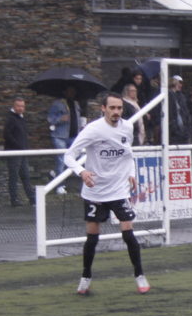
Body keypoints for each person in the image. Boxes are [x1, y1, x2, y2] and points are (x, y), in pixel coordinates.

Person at [62, 92, 150, 296]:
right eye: (112, 108)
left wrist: (131, 173)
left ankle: (140, 276)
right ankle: (85, 278)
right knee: (92, 237)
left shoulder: (127, 127)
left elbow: (128, 154)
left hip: (119, 189)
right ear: (103, 108)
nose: (116, 112)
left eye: (119, 108)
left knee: (128, 233)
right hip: (96, 190)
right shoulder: (93, 130)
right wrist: (82, 171)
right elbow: (69, 155)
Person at [47, 86, 80, 194]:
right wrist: (60, 119)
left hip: (74, 136)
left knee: (76, 158)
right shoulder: (58, 104)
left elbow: (78, 118)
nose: (72, 93)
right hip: (60, 136)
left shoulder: (75, 104)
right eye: (70, 91)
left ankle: (55, 175)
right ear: (65, 92)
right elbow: (50, 119)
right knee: (61, 160)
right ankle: (60, 186)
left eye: (73, 91)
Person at [3, 96, 36, 207]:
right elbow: (7, 135)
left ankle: (32, 198)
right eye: (18, 106)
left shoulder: (21, 118)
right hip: (14, 152)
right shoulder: (10, 118)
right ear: (14, 106)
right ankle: (14, 200)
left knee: (25, 176)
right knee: (14, 176)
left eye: (22, 106)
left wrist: (25, 148)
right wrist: (18, 146)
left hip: (22, 153)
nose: (21, 108)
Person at [166, 75, 192, 144]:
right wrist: (174, 127)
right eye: (179, 83)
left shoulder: (181, 96)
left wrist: (188, 126)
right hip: (175, 130)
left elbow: (185, 111)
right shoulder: (169, 95)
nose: (180, 85)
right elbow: (171, 112)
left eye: (181, 83)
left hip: (183, 129)